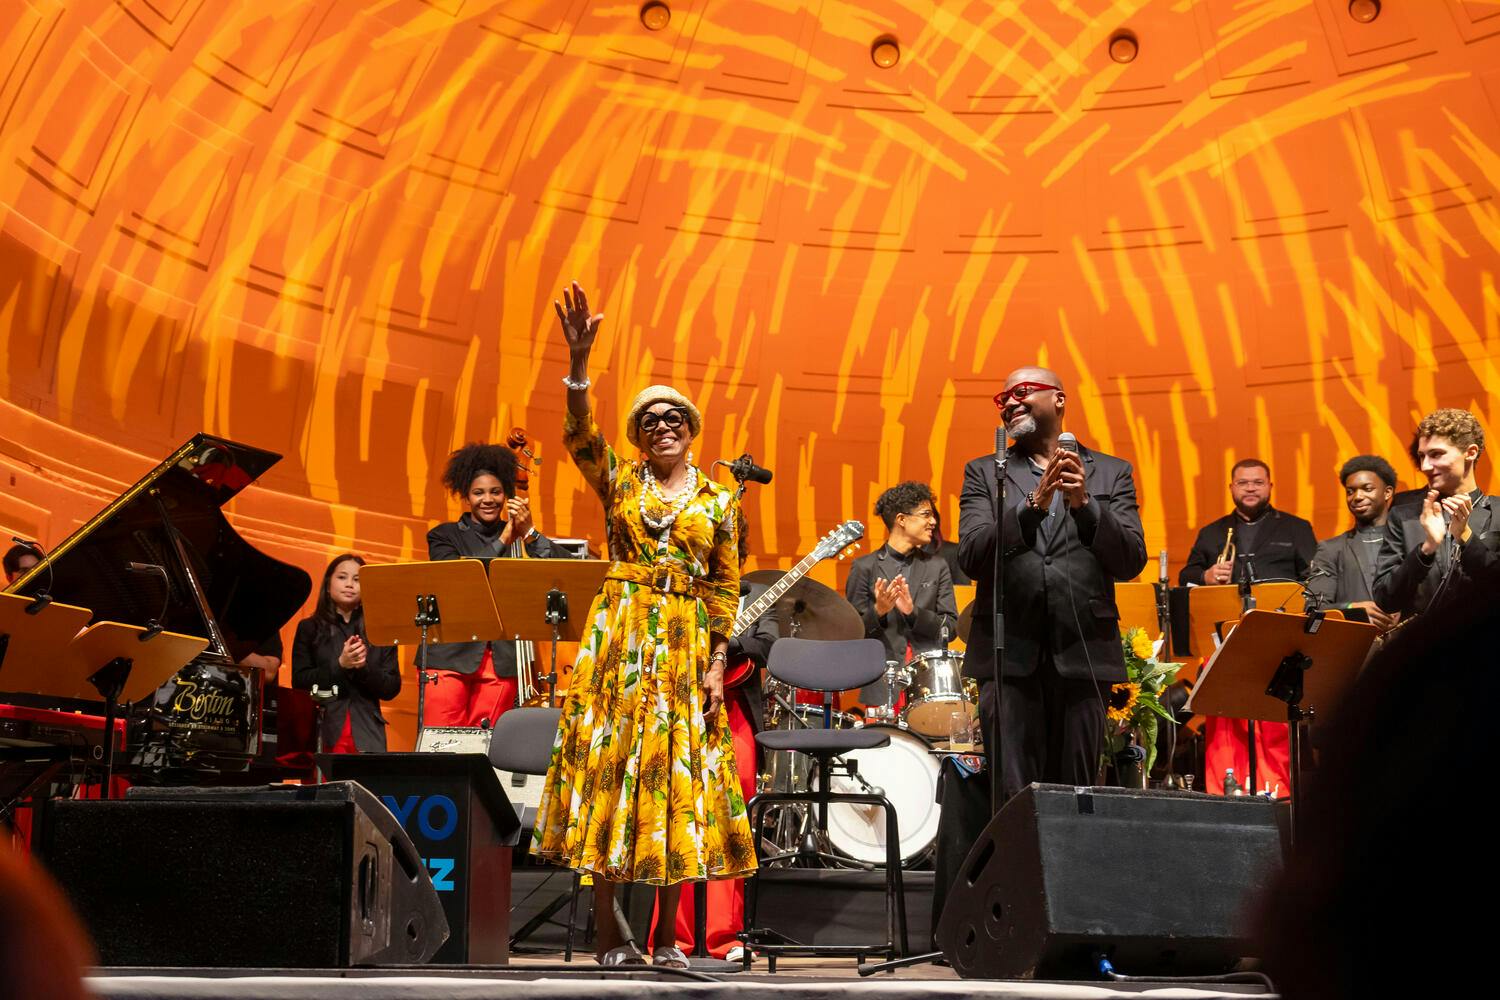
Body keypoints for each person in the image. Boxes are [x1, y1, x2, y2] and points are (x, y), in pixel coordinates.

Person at [532, 281, 754, 968]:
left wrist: (719, 661)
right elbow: (578, 436)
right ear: (638, 435)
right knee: (613, 767)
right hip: (622, 635)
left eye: (673, 417)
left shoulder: (720, 498)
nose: (662, 425)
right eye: (649, 419)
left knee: (680, 776)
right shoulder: (622, 483)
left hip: (687, 642)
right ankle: (608, 935)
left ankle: (666, 939)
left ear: (691, 427)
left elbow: (726, 585)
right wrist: (578, 365)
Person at [957, 366, 1147, 808]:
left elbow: (1130, 560)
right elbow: (971, 556)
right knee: (1013, 793)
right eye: (1002, 398)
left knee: (1078, 791)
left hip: (1084, 654)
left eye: (1022, 392)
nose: (1009, 402)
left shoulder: (1111, 472)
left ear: (1058, 399)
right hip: (1008, 654)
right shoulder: (986, 472)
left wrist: (1085, 505)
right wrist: (1032, 506)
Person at [424, 443, 565, 727]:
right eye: (479, 492)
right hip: (449, 655)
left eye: (495, 492)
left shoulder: (519, 533)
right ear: (466, 496)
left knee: (485, 748)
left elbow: (563, 569)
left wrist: (530, 534)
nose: (487, 499)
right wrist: (503, 540)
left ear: (506, 495)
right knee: (439, 744)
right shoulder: (443, 536)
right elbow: (462, 578)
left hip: (502, 661)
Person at [1374, 408, 1497, 617]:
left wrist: (1466, 537)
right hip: (1422, 647)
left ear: (1471, 452)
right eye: (1422, 456)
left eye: (1436, 454)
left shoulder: (1498, 512)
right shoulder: (1403, 517)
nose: (1425, 466)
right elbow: (1385, 598)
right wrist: (1427, 549)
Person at [845, 481, 958, 706]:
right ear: (901, 520)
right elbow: (851, 633)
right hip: (880, 684)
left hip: (929, 684)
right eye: (926, 515)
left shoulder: (937, 566)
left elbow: (951, 628)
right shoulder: (865, 567)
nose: (933, 522)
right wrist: (878, 611)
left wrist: (913, 612)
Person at [291, 554, 401, 753]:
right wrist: (340, 664)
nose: (349, 584)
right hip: (323, 730)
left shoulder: (381, 631)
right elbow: (300, 682)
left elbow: (391, 688)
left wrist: (363, 668)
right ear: (327, 584)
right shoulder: (309, 628)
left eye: (357, 580)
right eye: (342, 577)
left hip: (368, 733)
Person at [1179, 459, 1316, 586]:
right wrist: (1205, 576)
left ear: (1270, 486)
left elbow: (1314, 576)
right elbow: (1185, 577)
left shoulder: (1298, 528)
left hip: (1279, 611)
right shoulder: (1210, 532)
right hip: (1226, 610)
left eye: (1258, 482)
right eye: (1242, 483)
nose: (1250, 488)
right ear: (1231, 488)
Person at [1305, 455, 1400, 631]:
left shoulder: (1410, 541)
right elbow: (1312, 607)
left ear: (1388, 492)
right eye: (1350, 491)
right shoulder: (1331, 549)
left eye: (1367, 488)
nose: (1357, 496)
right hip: (1357, 649)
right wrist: (1352, 609)